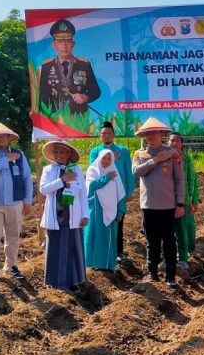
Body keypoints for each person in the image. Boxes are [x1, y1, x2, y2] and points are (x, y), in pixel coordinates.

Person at [132, 116, 184, 287]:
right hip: (148, 206)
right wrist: (155, 160)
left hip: (168, 206)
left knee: (169, 241)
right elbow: (136, 173)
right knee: (151, 241)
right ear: (144, 137)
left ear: (161, 134)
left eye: (155, 133)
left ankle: (170, 275)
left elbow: (179, 180)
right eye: (148, 134)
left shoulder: (172, 153)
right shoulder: (139, 154)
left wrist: (180, 203)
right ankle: (152, 273)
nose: (152, 137)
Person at [0, 123, 33, 280]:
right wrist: (5, 161)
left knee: (13, 236)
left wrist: (27, 201)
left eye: (4, 135)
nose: (0, 138)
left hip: (15, 203)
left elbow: (27, 178)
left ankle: (11, 266)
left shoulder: (19, 154)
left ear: (9, 138)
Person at [39, 140, 88, 289]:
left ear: (68, 154)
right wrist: (62, 180)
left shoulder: (77, 170)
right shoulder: (48, 170)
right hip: (55, 215)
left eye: (62, 152)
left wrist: (85, 214)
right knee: (55, 248)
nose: (59, 155)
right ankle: (54, 282)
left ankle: (74, 281)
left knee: (72, 247)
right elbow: (43, 189)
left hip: (73, 216)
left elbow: (82, 193)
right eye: (57, 152)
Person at [89, 121, 135, 262]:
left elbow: (128, 171)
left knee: (117, 220)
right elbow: (95, 169)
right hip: (102, 191)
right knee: (101, 221)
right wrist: (112, 158)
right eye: (103, 133)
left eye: (109, 133)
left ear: (114, 135)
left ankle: (118, 251)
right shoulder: (95, 151)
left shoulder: (123, 151)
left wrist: (130, 190)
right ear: (100, 136)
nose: (106, 135)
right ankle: (102, 251)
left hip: (118, 192)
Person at [38, 19, 101, 115]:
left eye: (68, 41)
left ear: (73, 44)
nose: (64, 45)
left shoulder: (84, 65)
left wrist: (85, 97)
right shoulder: (46, 66)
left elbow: (96, 91)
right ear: (54, 45)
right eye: (59, 42)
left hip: (79, 118)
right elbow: (42, 97)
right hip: (55, 120)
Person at [83, 148, 126, 272]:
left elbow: (120, 193)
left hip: (111, 210)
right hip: (96, 209)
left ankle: (107, 264)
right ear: (99, 158)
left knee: (109, 237)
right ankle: (94, 263)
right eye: (104, 158)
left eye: (109, 158)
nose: (106, 161)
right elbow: (92, 186)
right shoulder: (93, 170)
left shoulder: (114, 171)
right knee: (95, 235)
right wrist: (107, 178)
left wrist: (121, 210)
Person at [169, 132, 199, 269]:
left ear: (182, 144)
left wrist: (192, 200)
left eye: (176, 141)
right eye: (171, 141)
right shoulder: (166, 157)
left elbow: (191, 179)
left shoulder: (186, 159)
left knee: (183, 228)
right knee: (170, 230)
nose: (173, 143)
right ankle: (170, 255)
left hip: (184, 199)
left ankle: (184, 256)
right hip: (167, 200)